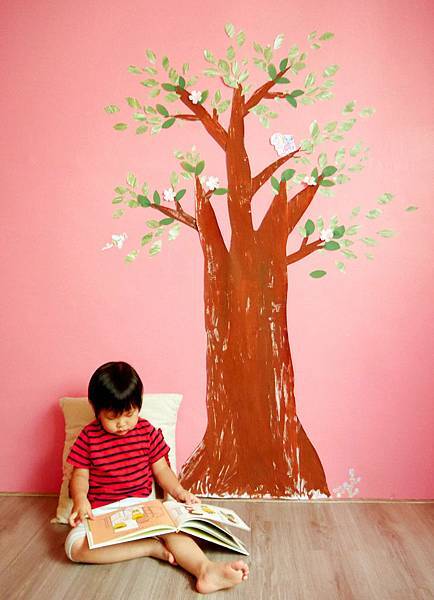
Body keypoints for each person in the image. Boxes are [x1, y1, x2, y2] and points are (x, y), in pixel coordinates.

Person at [65, 361, 249, 594]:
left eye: (129, 414)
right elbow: (80, 476)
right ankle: (148, 548)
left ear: (138, 405)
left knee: (174, 531)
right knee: (74, 547)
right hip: (102, 512)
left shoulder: (146, 432)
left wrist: (179, 492)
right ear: (96, 409)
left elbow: (162, 470)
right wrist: (81, 500)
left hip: (142, 508)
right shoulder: (88, 437)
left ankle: (206, 570)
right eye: (112, 417)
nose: (122, 424)